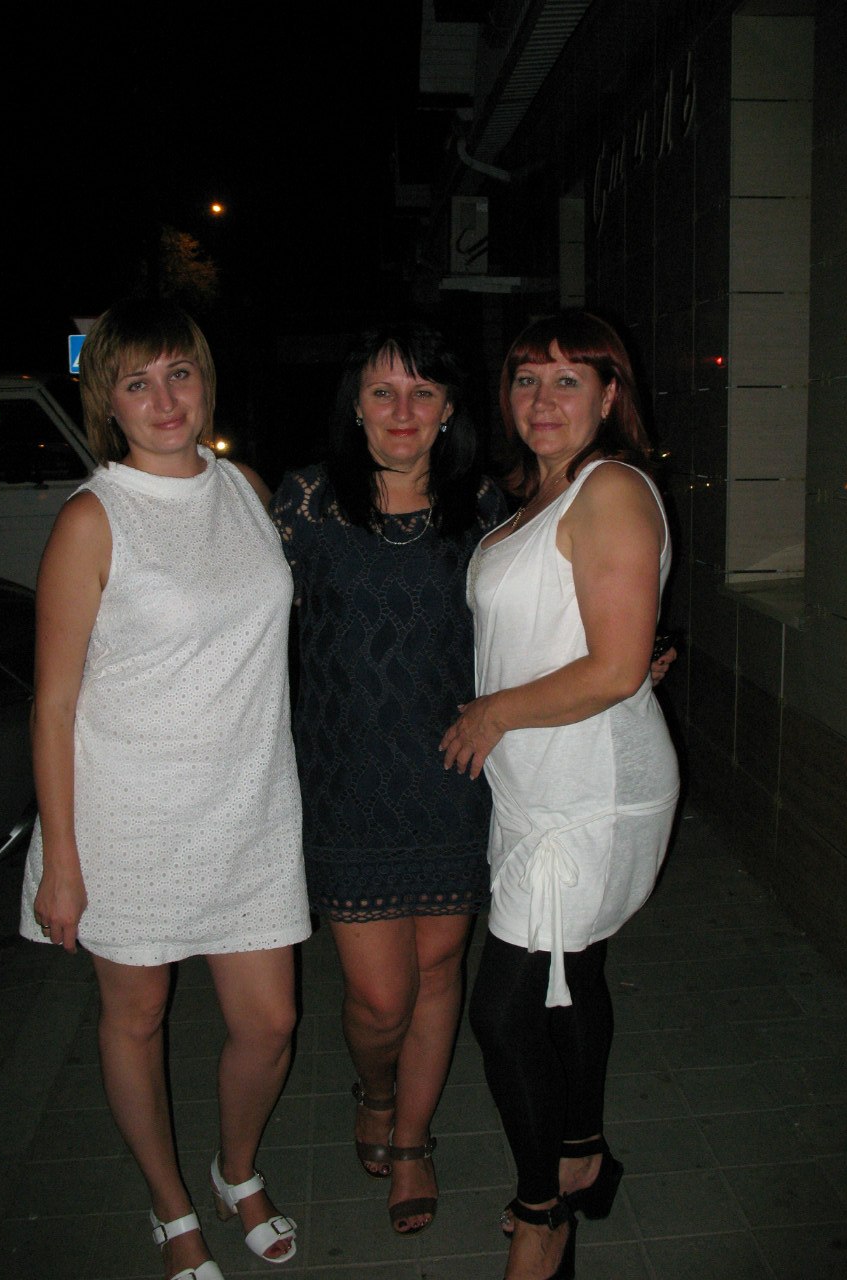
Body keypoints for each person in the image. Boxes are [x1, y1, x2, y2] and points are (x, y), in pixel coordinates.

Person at [19, 298, 310, 1279]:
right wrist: (62, 861)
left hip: (249, 808)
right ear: (107, 401)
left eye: (179, 372)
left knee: (270, 1023)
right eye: (136, 382)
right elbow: (53, 704)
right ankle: (170, 1205)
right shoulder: (92, 518)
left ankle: (236, 1167)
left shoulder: (244, 488)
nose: (164, 398)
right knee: (135, 1017)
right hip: (129, 816)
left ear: (205, 380)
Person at [440, 310, 680, 1280]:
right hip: (537, 786)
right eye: (527, 378)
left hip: (590, 788)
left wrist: (491, 711)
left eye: (569, 379)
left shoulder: (610, 487)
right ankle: (581, 1150)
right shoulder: (536, 494)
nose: (542, 398)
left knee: (504, 1011)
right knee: (571, 975)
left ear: (610, 396)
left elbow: (616, 667)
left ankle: (543, 1209)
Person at [268, 324, 509, 1235]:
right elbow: (245, 619)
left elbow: (534, 618)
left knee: (439, 968)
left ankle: (411, 1137)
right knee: (379, 997)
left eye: (422, 392)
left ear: (449, 410)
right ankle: (374, 1087)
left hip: (452, 772)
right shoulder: (308, 501)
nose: (402, 410)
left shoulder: (483, 506)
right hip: (343, 777)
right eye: (382, 392)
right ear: (357, 407)